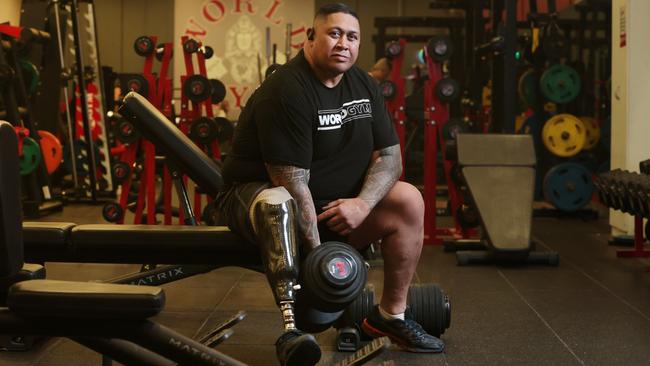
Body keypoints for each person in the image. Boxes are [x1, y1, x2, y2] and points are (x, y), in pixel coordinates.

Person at [216, 3, 445, 365]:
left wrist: (363, 205)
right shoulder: (286, 89)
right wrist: (324, 262)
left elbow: (390, 158)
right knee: (278, 202)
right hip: (258, 201)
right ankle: (290, 330)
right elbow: (292, 184)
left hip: (335, 206)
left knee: (408, 199)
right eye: (334, 33)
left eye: (351, 37)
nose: (343, 43)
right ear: (310, 38)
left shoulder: (364, 84)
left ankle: (390, 317)